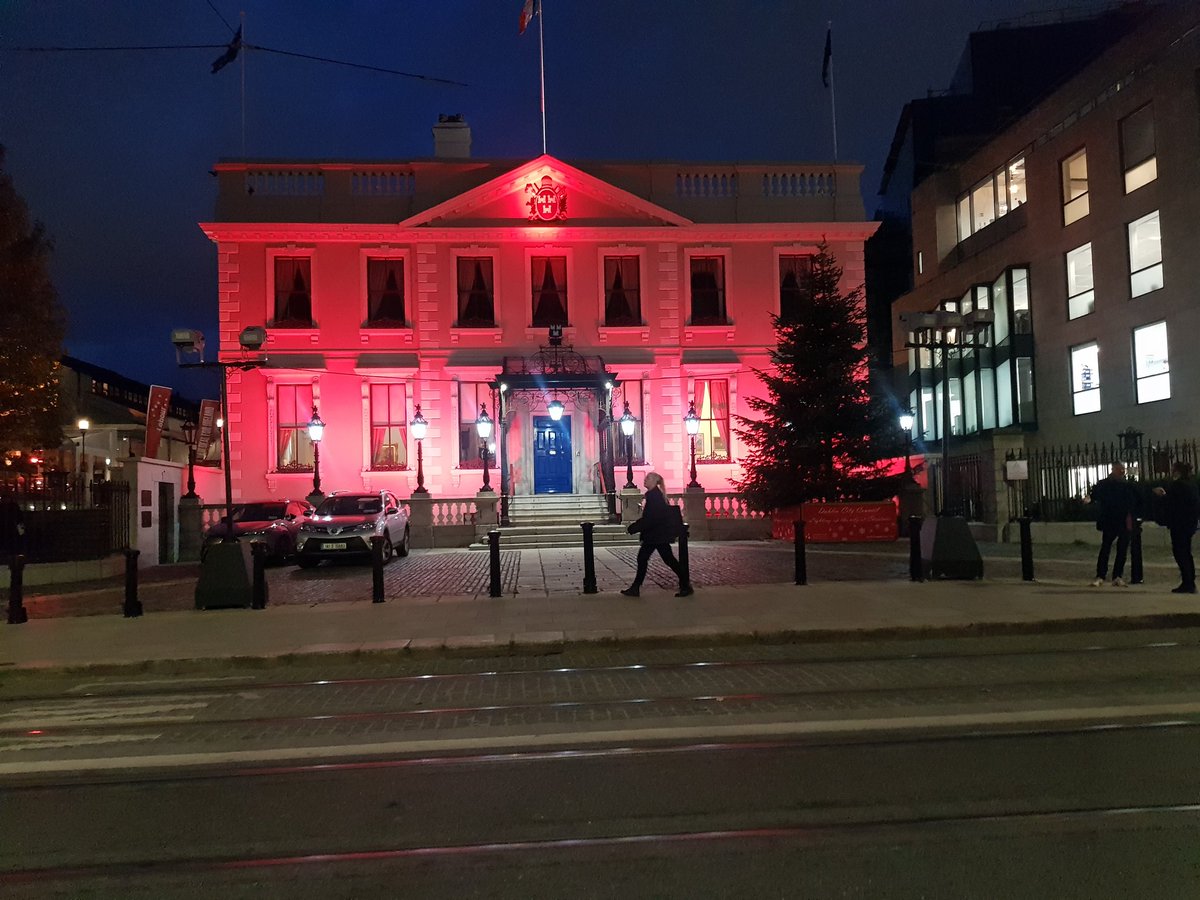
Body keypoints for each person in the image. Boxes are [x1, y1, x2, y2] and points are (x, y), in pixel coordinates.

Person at [621, 471, 693, 597]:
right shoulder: (655, 495)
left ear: (654, 481)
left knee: (649, 559)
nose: (645, 480)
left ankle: (685, 585)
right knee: (665, 560)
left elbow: (651, 518)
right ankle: (636, 587)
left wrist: (634, 527)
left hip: (655, 535)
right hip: (657, 535)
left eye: (648, 478)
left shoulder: (654, 496)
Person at [1089, 462, 1139, 587]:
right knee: (1106, 547)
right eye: (1120, 469)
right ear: (1114, 470)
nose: (1122, 472)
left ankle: (1117, 575)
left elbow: (1135, 500)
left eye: (1123, 469)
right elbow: (1095, 495)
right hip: (1111, 519)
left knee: (1120, 549)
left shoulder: (1126, 485)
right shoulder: (1105, 484)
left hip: (1122, 520)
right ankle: (1101, 575)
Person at [1153, 461, 1199, 594]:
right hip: (1189, 523)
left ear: (1177, 471)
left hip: (1179, 524)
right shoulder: (1191, 485)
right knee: (1186, 553)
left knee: (1180, 552)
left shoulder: (1178, 485)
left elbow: (1172, 503)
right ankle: (1189, 581)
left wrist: (1162, 496)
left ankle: (1187, 582)